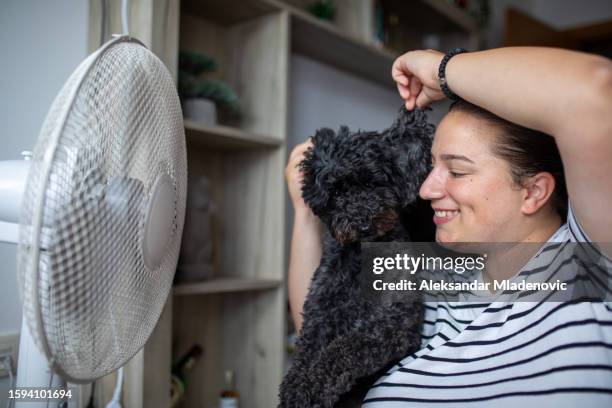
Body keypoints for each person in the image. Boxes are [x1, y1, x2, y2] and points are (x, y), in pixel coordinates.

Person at [285, 47, 612, 406]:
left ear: (534, 192)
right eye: (432, 169)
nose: (426, 190)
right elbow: (324, 331)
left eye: (456, 171)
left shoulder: (588, 269)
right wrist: (304, 211)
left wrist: (442, 70)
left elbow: (594, 94)